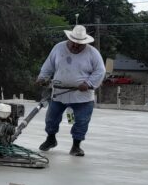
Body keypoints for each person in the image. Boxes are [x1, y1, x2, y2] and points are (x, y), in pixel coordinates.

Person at [36, 24, 106, 156]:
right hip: (59, 92)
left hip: (82, 96)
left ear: (84, 43)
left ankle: (76, 146)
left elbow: (100, 71)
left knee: (81, 120)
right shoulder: (58, 48)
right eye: (73, 43)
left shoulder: (93, 53)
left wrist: (89, 83)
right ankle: (51, 139)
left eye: (79, 44)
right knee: (51, 118)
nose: (75, 46)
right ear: (69, 39)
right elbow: (48, 65)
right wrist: (42, 78)